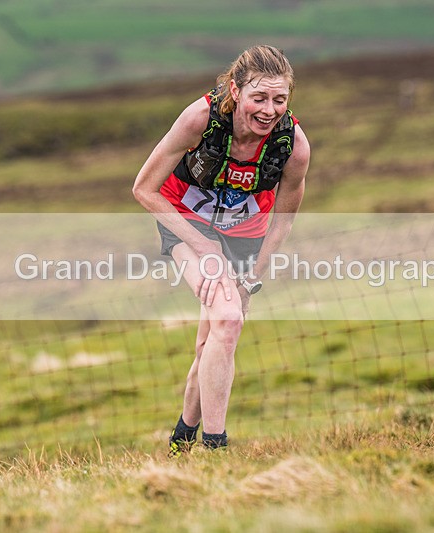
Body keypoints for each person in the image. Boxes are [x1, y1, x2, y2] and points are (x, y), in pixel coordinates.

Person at [132, 45, 310, 456]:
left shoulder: (293, 147)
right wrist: (203, 243)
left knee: (213, 340)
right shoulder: (201, 119)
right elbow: (144, 189)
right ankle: (216, 449)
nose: (269, 110)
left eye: (279, 99)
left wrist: (253, 278)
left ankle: (182, 441)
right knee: (228, 320)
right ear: (236, 90)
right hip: (185, 221)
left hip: (245, 236)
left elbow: (283, 218)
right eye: (259, 98)